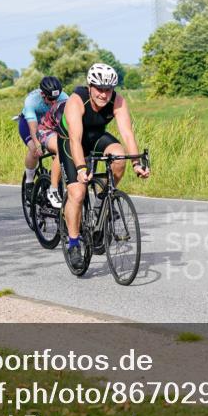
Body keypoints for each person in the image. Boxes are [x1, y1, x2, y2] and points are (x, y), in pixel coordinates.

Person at [55, 63, 149, 268]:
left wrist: (136, 163)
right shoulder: (76, 101)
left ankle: (101, 202)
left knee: (118, 155)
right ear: (90, 86)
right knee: (77, 194)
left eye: (108, 90)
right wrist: (81, 168)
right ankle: (73, 243)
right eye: (99, 89)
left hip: (96, 137)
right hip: (71, 141)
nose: (104, 95)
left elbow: (127, 134)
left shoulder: (118, 101)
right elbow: (75, 139)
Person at [17, 76, 68, 208]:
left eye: (55, 99)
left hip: (51, 123)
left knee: (60, 149)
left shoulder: (64, 98)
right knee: (34, 149)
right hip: (30, 124)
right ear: (42, 94)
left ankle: (55, 178)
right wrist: (38, 143)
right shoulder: (31, 101)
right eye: (50, 99)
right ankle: (29, 182)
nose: (53, 103)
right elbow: (33, 127)